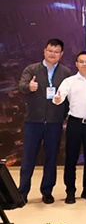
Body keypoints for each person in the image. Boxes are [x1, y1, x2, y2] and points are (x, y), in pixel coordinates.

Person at [17, 39, 71, 204]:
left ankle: (47, 192)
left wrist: (63, 116)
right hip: (33, 122)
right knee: (28, 159)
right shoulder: (31, 69)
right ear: (44, 51)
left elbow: (69, 97)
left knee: (51, 158)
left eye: (56, 51)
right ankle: (22, 193)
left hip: (54, 122)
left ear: (61, 54)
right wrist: (29, 87)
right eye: (50, 50)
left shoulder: (66, 72)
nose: (52, 54)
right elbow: (21, 85)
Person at [52, 51, 86, 204]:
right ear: (76, 64)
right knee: (71, 159)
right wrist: (57, 99)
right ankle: (70, 191)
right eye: (81, 61)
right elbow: (59, 98)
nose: (84, 64)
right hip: (75, 123)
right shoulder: (69, 81)